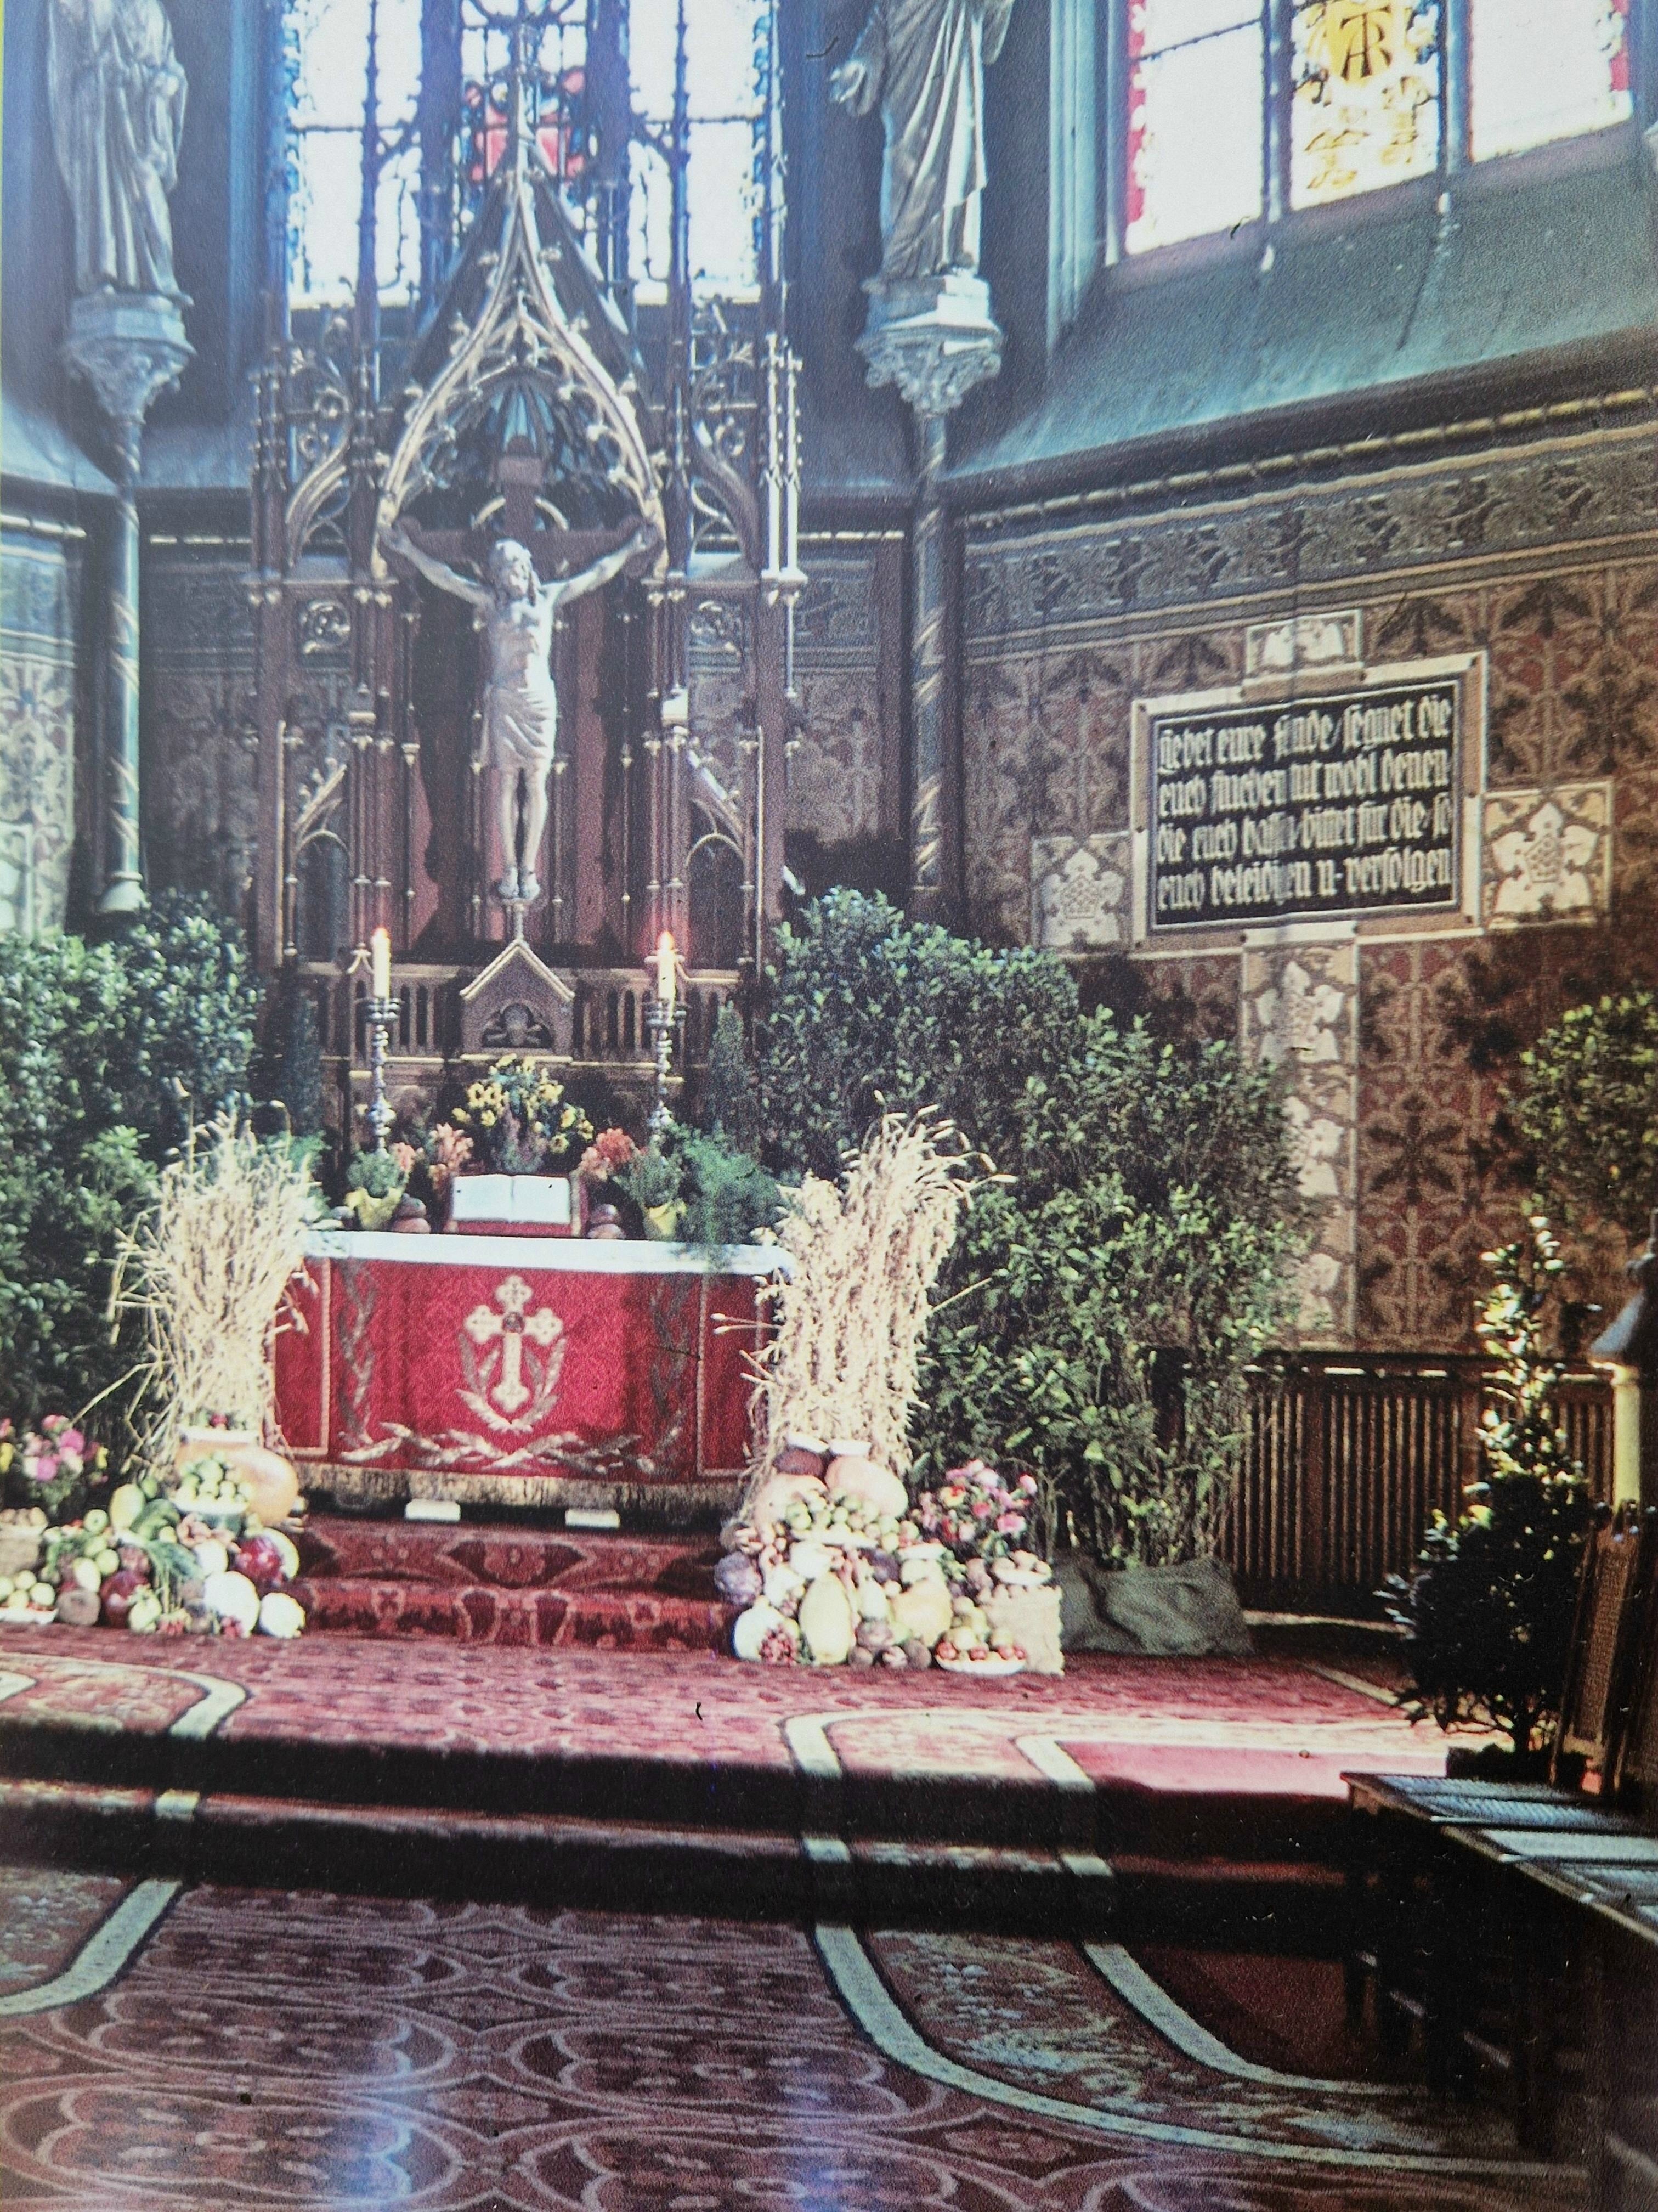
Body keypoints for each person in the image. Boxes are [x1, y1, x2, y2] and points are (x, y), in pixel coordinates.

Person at [384, 519, 658, 906]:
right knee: (509, 782)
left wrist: (631, 548)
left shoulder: (548, 597)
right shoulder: (491, 603)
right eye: (500, 572)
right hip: (506, 701)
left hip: (539, 701)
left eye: (512, 569)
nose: (507, 577)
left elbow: (596, 574)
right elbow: (446, 578)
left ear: (526, 567)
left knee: (537, 781)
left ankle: (529, 868)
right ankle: (510, 868)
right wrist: (409, 551)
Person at [830, 0, 1016, 285]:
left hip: (955, 99)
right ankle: (900, 268)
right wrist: (858, 68)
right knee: (901, 183)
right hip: (905, 109)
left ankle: (954, 257)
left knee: (954, 164)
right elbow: (873, 40)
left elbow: (989, 42)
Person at [49, 0, 188, 298]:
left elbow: (171, 64)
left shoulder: (156, 11)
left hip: (144, 118)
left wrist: (171, 82)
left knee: (150, 199)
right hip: (102, 110)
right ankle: (103, 276)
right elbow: (69, 44)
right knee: (103, 194)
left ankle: (159, 279)